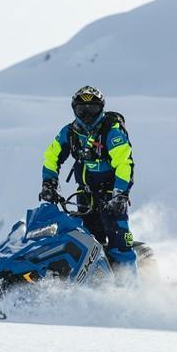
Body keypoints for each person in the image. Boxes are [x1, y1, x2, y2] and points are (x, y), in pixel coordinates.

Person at [38, 85, 138, 281]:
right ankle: (88, 286)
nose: (87, 115)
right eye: (81, 110)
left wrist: (119, 194)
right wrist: (48, 184)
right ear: (74, 110)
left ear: (101, 108)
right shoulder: (70, 132)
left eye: (92, 109)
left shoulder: (112, 130)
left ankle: (132, 293)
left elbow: (124, 163)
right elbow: (52, 156)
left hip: (111, 196)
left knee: (120, 245)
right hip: (84, 195)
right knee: (84, 244)